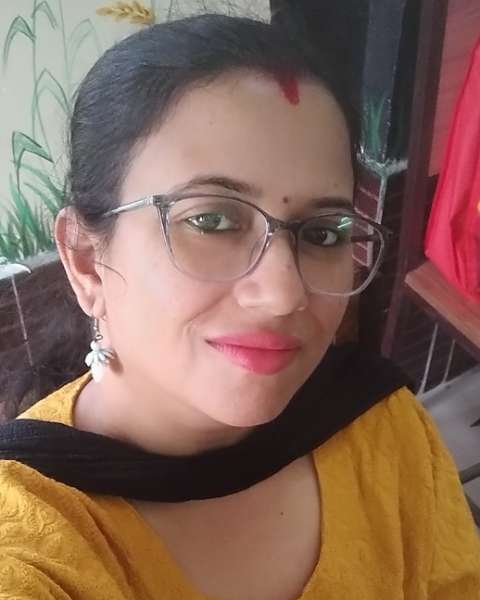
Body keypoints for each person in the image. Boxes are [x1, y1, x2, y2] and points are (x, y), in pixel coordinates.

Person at [0, 14, 479, 600]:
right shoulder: (31, 547)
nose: (284, 294)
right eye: (211, 221)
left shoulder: (381, 429)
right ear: (84, 260)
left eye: (323, 233)